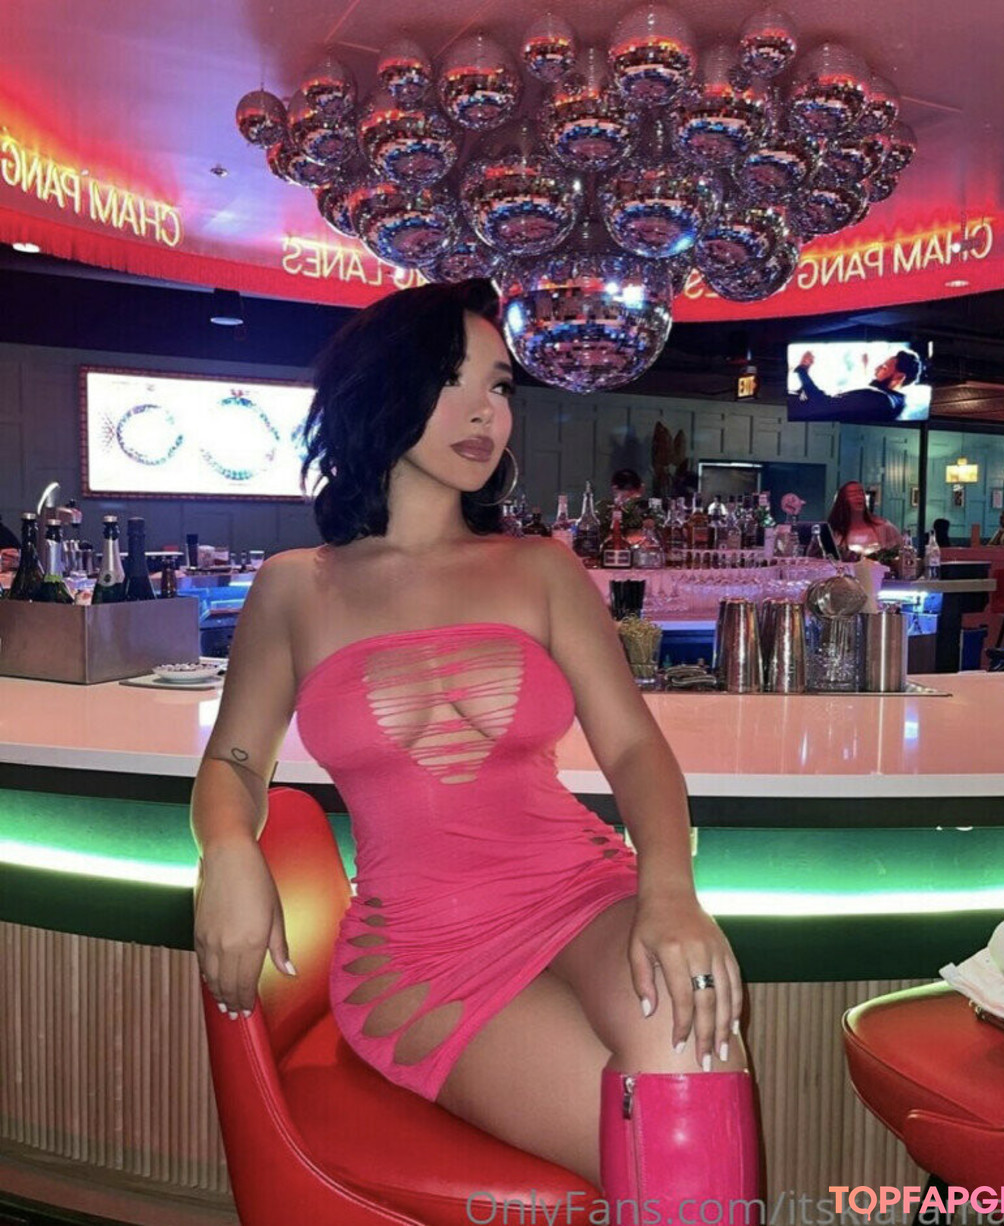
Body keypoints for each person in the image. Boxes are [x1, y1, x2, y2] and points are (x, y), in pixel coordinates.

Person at [190, 280, 758, 1212]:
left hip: (584, 892)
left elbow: (632, 748)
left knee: (691, 1045)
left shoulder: (540, 568)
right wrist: (226, 847)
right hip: (421, 947)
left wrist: (670, 892)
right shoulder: (298, 585)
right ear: (384, 389)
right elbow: (235, 763)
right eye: (453, 380)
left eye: (498, 386)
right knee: (653, 1140)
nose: (486, 411)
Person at [793, 348, 923, 423]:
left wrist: (802, 369)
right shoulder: (899, 401)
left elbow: (822, 403)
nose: (876, 369)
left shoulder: (880, 400)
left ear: (899, 377)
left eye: (884, 367)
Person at [826, 480, 903, 557]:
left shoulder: (884, 527)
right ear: (842, 500)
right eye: (852, 494)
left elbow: (901, 553)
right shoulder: (833, 531)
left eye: (861, 493)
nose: (858, 497)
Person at [595, 468, 649, 544]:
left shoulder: (646, 510)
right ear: (615, 489)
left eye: (634, 499)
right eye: (627, 497)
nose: (631, 502)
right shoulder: (603, 508)